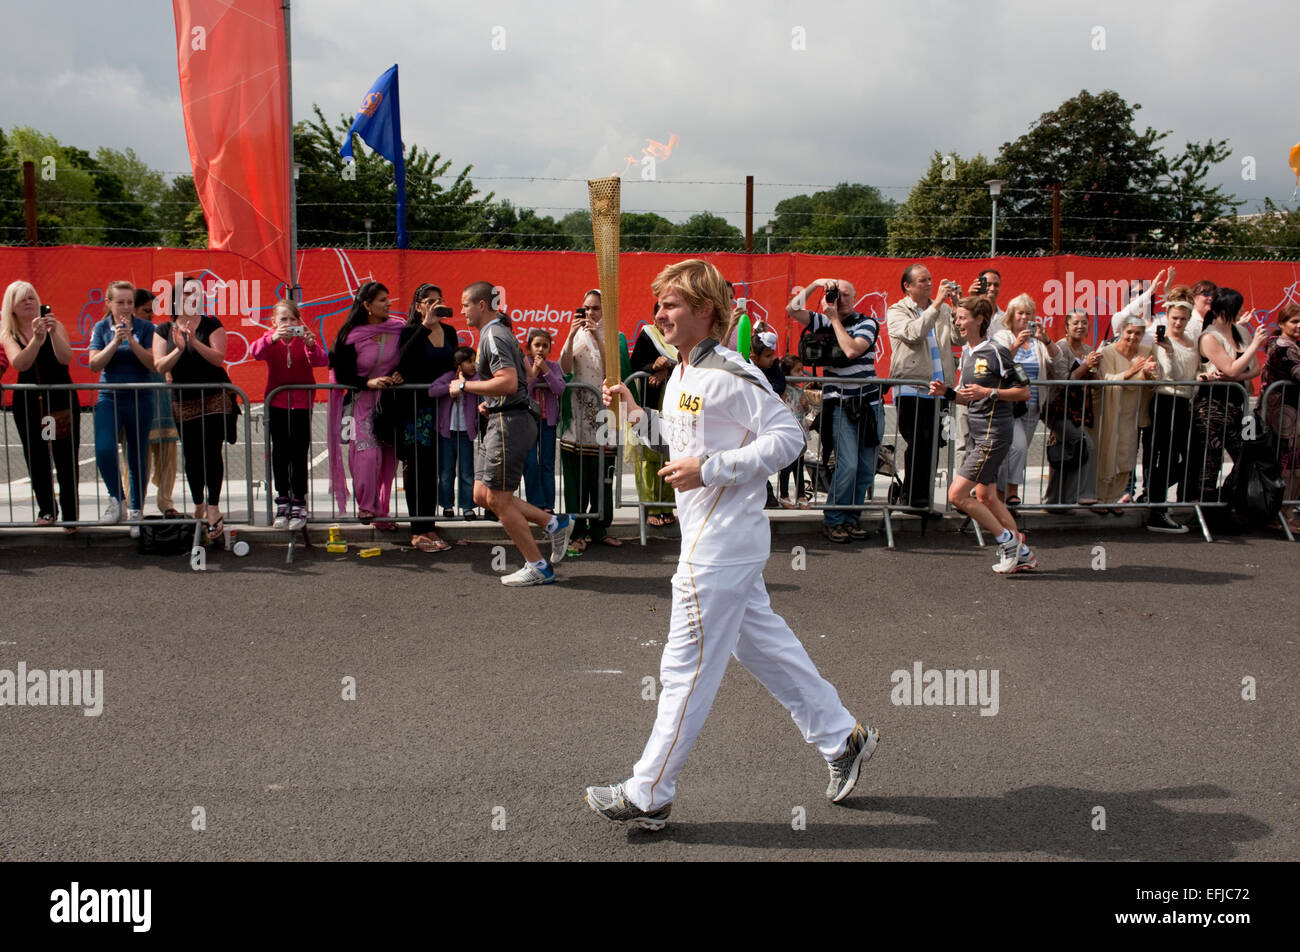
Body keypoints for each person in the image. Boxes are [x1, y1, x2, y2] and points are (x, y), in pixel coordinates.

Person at [585, 258, 879, 830]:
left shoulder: (730, 372)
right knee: (764, 649)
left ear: (706, 311)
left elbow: (789, 436)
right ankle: (843, 738)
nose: (659, 314)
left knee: (684, 668)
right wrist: (634, 415)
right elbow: (678, 445)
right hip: (714, 538)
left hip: (719, 545)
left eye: (670, 304)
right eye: (657, 304)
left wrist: (714, 468)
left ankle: (650, 792)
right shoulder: (682, 373)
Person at [452, 280, 573, 585]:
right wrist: (490, 402)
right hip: (503, 419)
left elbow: (507, 382)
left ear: (482, 305)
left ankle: (538, 566)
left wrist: (466, 386)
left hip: (509, 424)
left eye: (466, 304)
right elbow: (525, 376)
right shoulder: (500, 334)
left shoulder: (493, 335)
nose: (462, 309)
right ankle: (552, 523)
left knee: (500, 500)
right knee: (482, 494)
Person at [931, 296, 1037, 574]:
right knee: (986, 496)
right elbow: (970, 399)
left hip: (994, 434)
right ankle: (1022, 553)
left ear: (979, 320)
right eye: (956, 318)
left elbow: (1024, 392)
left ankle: (1008, 542)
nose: (958, 322)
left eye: (962, 317)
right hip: (979, 433)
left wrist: (990, 392)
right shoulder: (967, 353)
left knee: (956, 495)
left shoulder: (996, 351)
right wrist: (948, 393)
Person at [787, 277, 885, 541]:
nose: (839, 300)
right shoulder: (822, 321)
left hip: (869, 405)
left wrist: (834, 321)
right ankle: (833, 519)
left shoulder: (867, 322)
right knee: (848, 465)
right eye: (834, 294)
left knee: (865, 467)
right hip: (839, 404)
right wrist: (816, 283)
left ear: (854, 298)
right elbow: (792, 310)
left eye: (844, 295)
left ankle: (851, 519)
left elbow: (852, 350)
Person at [152, 276, 233, 539]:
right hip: (183, 398)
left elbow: (218, 358)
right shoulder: (163, 329)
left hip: (213, 395)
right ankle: (198, 500)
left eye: (197, 292)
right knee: (191, 454)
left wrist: (195, 343)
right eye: (187, 293)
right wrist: (179, 349)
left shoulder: (211, 323)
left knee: (211, 450)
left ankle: (213, 506)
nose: (193, 297)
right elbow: (160, 366)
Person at [0, 280, 79, 531]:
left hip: (60, 399)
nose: (28, 303)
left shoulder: (55, 327)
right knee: (36, 456)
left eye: (32, 297)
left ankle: (70, 513)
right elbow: (19, 363)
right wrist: (35, 340)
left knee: (65, 456)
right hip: (29, 403)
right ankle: (47, 509)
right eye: (22, 299)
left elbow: (66, 358)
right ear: (11, 306)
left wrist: (52, 333)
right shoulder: (8, 333)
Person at [328, 281, 404, 530]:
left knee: (388, 458)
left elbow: (408, 360)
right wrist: (369, 382)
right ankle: (366, 507)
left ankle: (382, 512)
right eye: (382, 300)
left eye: (388, 298)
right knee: (367, 455)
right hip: (361, 401)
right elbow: (342, 374)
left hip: (391, 403)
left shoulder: (398, 329)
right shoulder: (349, 336)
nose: (388, 303)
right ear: (367, 305)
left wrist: (399, 374)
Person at [887, 265, 962, 513]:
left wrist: (958, 305)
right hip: (912, 386)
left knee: (933, 444)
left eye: (931, 279)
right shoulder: (898, 310)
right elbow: (913, 334)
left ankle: (921, 495)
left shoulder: (943, 309)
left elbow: (960, 338)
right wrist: (937, 303)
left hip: (938, 388)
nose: (929, 284)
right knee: (919, 439)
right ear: (907, 285)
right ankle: (914, 497)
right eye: (922, 280)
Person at [251, 299, 329, 530]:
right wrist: (271, 338)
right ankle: (282, 499)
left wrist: (310, 344)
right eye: (283, 319)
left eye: (292, 319)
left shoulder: (303, 339)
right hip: (276, 402)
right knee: (280, 452)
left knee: (298, 452)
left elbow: (321, 360)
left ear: (299, 320)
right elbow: (255, 352)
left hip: (302, 404)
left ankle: (299, 502)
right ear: (274, 322)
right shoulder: (271, 340)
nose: (288, 324)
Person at [87, 280, 155, 534]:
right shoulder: (101, 328)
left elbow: (152, 363)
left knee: (137, 455)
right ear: (109, 304)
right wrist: (115, 341)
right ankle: (117, 500)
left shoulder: (146, 328)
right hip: (110, 395)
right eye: (120, 302)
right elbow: (94, 364)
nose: (125, 307)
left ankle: (137, 509)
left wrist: (132, 341)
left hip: (140, 396)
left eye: (129, 302)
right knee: (104, 448)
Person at [1187, 287, 1265, 504]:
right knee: (1210, 460)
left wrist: (1233, 375)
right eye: (1237, 308)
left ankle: (1228, 498)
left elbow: (1255, 369)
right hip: (1212, 405)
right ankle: (1207, 505)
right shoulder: (1209, 336)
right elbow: (1231, 368)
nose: (1241, 312)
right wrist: (1255, 346)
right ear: (1226, 309)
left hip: (1236, 404)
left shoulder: (1242, 332)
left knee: (1246, 455)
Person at [397, 283, 458, 550]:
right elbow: (402, 361)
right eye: (430, 301)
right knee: (416, 468)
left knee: (435, 469)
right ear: (419, 304)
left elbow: (455, 364)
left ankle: (429, 526)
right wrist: (425, 325)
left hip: (443, 408)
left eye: (439, 300)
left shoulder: (450, 331)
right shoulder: (410, 331)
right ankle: (417, 528)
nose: (436, 305)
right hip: (415, 410)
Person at [558, 289, 620, 551]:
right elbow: (563, 368)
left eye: (595, 308)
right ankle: (576, 531)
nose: (590, 313)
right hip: (577, 415)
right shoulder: (577, 336)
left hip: (605, 416)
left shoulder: (614, 337)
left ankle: (600, 528)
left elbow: (611, 372)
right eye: (585, 308)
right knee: (577, 476)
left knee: (602, 476)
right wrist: (572, 334)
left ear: (604, 311)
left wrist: (598, 336)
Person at [991, 293, 1063, 507]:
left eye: (1028, 313)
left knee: (1017, 452)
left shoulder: (1037, 343)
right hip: (1009, 405)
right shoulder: (1003, 337)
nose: (1024, 317)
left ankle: (1003, 495)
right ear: (1011, 316)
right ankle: (1008, 492)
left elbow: (1057, 362)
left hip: (1033, 405)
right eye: (1020, 313)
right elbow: (999, 362)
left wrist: (1046, 340)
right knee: (1016, 447)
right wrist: (1016, 344)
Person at [1145, 297, 1200, 532]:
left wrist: (1203, 378)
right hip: (1165, 400)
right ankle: (1156, 511)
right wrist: (1168, 351)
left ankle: (1151, 497)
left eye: (1183, 318)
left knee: (1190, 455)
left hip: (1185, 402)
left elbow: (1195, 372)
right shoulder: (1160, 342)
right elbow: (1171, 376)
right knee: (1164, 457)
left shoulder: (1193, 342)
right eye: (1174, 318)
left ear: (1189, 320)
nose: (1178, 322)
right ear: (1167, 317)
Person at [1092, 316, 1157, 507]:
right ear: (1121, 331)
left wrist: (1147, 374)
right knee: (1107, 452)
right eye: (1129, 332)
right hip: (1109, 412)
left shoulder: (1146, 351)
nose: (1132, 337)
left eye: (1137, 333)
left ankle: (1115, 499)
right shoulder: (1108, 352)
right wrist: (1129, 373)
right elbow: (1105, 380)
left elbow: (1153, 380)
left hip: (1132, 413)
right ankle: (1101, 499)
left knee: (1126, 454)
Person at [1043, 308, 1102, 507]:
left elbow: (1095, 380)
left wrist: (1093, 366)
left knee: (1066, 452)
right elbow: (1063, 381)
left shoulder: (1088, 349)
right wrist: (1086, 365)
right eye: (1075, 323)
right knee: (1085, 444)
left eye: (1084, 323)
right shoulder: (1060, 347)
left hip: (1077, 409)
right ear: (1067, 327)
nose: (1080, 326)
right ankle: (1084, 494)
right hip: (1056, 407)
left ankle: (1057, 500)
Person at [628, 306, 678, 528]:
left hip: (676, 406)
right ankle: (650, 507)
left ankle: (667, 506)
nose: (664, 319)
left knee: (672, 455)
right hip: (651, 402)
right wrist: (653, 367)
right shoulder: (648, 335)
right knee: (649, 457)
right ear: (654, 318)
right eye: (661, 316)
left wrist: (666, 371)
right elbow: (635, 365)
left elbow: (692, 364)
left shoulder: (681, 334)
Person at [138, 289, 180, 519]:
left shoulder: (161, 330)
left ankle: (166, 501)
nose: (150, 316)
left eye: (152, 311)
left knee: (168, 452)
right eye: (145, 311)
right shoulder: (127, 332)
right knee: (137, 457)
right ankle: (135, 503)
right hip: (138, 399)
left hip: (162, 399)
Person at [1261, 303, 1300, 531]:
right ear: (1282, 324)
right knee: (1287, 465)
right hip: (1283, 416)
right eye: (1294, 321)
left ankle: (1286, 513)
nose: (1298, 325)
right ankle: (1280, 515)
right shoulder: (1282, 345)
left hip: (1293, 416)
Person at [430, 346, 479, 520]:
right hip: (447, 432)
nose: (473, 365)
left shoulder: (476, 379)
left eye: (474, 361)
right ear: (459, 364)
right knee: (446, 471)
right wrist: (452, 387)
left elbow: (483, 387)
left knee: (467, 471)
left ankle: (467, 507)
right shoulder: (448, 377)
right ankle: (447, 505)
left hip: (466, 432)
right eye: (469, 361)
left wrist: (464, 385)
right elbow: (432, 390)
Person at [522, 328, 565, 513]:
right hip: (528, 423)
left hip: (548, 423)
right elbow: (524, 390)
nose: (540, 349)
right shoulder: (523, 365)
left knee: (547, 463)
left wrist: (546, 370)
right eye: (536, 345)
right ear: (529, 348)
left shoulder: (553, 367)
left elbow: (559, 389)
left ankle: (548, 505)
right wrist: (533, 371)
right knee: (530, 462)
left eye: (544, 346)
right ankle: (535, 503)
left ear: (549, 349)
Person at [777, 354, 813, 508]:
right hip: (787, 434)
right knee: (786, 466)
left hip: (800, 434)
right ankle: (784, 495)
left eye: (802, 371)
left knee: (799, 465)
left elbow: (805, 411)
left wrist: (806, 406)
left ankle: (801, 495)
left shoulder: (800, 390)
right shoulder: (782, 389)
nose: (801, 374)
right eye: (797, 371)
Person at [967, 268, 1006, 336]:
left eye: (996, 285)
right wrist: (972, 299)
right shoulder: (969, 313)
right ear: (979, 286)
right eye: (988, 284)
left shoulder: (1006, 318)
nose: (992, 288)